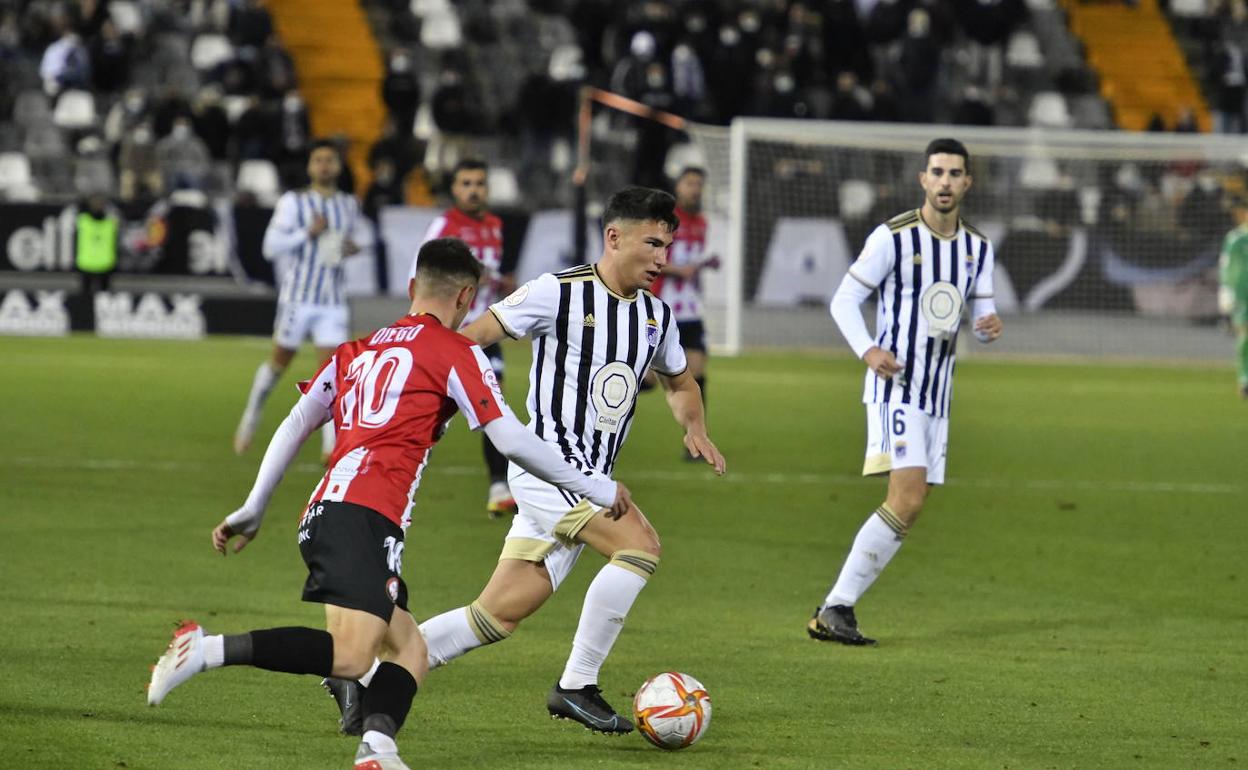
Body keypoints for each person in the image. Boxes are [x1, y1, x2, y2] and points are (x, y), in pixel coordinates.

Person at [147, 238, 631, 770]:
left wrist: (255, 505)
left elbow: (297, 422)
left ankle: (377, 749)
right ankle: (205, 648)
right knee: (354, 655)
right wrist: (598, 486)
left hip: (330, 512)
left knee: (409, 651)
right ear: (467, 297)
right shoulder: (455, 351)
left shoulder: (357, 349)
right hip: (364, 514)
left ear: (410, 288)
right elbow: (511, 439)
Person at [327, 187, 726, 737]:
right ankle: (576, 685)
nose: (663, 258)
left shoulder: (656, 317)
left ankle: (365, 672)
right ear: (614, 237)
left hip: (590, 474)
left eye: (667, 245)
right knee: (640, 548)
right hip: (549, 466)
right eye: (653, 244)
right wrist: (432, 394)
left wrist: (695, 425)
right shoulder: (557, 294)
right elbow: (474, 336)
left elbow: (680, 380)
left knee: (495, 616)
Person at [810, 138, 1003, 645]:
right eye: (936, 172)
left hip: (939, 394)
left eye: (954, 173)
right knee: (908, 496)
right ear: (923, 179)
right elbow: (844, 300)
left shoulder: (977, 248)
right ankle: (836, 607)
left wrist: (986, 327)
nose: (944, 181)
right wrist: (869, 351)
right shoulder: (892, 237)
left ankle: (837, 608)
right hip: (897, 386)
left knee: (912, 504)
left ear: (967, 182)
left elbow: (980, 316)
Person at [233, 140, 367, 463]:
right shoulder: (294, 202)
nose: (324, 166)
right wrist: (307, 233)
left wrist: (349, 248)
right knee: (279, 363)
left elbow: (345, 244)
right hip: (298, 299)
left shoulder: (348, 205)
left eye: (329, 160)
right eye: (318, 159)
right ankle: (251, 417)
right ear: (310, 166)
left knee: (332, 370)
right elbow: (270, 246)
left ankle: (329, 445)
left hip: (332, 300)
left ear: (338, 167)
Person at [407, 158, 517, 518]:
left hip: (485, 330)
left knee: (493, 399)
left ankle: (499, 486)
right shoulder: (445, 225)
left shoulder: (495, 225)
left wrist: (500, 282)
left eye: (480, 183)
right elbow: (419, 274)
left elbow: (489, 276)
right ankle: (400, 472)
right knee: (432, 407)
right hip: (447, 330)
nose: (474, 190)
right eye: (466, 183)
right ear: (454, 189)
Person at [647, 167, 718, 439]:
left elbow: (692, 262)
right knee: (646, 381)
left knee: (697, 373)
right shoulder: (665, 221)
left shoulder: (701, 222)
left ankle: (697, 438)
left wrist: (704, 265)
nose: (695, 189)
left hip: (689, 310)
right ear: (678, 187)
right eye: (690, 183)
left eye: (699, 184)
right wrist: (679, 270)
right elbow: (649, 260)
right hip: (661, 308)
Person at [1218, 197, 1248, 399]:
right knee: (1245, 336)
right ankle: (1245, 379)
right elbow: (1226, 268)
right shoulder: (1236, 239)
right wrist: (1226, 294)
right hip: (1244, 297)